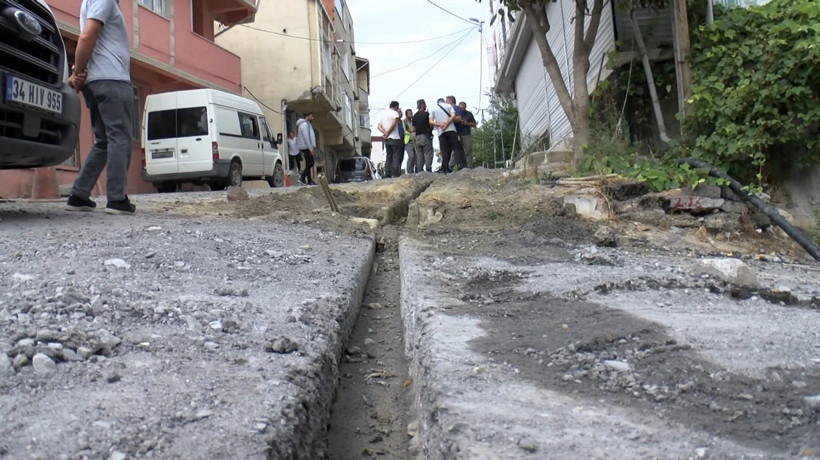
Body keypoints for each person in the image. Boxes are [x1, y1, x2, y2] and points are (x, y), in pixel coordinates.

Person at [65, 0, 134, 214]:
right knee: (119, 136)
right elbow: (87, 36)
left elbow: (92, 40)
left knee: (104, 140)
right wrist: (77, 73)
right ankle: (116, 198)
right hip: (111, 78)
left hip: (95, 80)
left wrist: (78, 72)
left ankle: (79, 195)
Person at [428, 97, 461, 174]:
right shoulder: (449, 106)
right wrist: (447, 122)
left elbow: (430, 121)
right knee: (456, 148)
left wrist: (439, 124)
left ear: (437, 103)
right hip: (451, 129)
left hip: (441, 132)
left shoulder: (433, 109)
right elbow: (453, 116)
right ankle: (460, 165)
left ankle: (445, 168)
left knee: (445, 150)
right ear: (444, 102)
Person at [377, 101, 404, 178]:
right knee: (396, 155)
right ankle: (395, 173)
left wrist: (384, 132)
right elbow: (394, 123)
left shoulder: (383, 114)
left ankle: (387, 173)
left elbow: (379, 126)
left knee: (388, 156)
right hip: (395, 137)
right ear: (396, 107)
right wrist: (388, 132)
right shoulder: (394, 113)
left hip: (387, 139)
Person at [411, 99, 434, 172]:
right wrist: (430, 130)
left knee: (419, 155)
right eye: (424, 104)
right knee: (428, 153)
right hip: (426, 136)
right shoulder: (426, 114)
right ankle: (428, 168)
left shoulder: (414, 116)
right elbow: (431, 124)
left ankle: (419, 169)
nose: (425, 105)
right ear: (422, 105)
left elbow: (414, 127)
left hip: (417, 137)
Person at [295, 113, 317, 185]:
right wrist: (310, 148)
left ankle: (303, 178)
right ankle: (307, 180)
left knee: (310, 162)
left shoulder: (307, 124)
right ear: (307, 117)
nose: (313, 118)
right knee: (309, 163)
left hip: (306, 146)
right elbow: (306, 137)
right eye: (311, 116)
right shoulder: (304, 125)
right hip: (305, 146)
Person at [446, 96, 468, 171]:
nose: (446, 103)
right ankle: (453, 165)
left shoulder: (455, 108)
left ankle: (452, 165)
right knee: (455, 148)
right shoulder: (451, 109)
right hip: (453, 131)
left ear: (451, 101)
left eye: (447, 101)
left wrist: (448, 120)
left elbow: (459, 118)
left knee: (457, 148)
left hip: (457, 131)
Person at [458, 102, 477, 168]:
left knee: (468, 151)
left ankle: (469, 166)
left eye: (463, 108)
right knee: (457, 151)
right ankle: (452, 166)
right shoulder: (456, 114)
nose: (462, 109)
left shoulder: (469, 114)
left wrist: (467, 123)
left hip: (467, 134)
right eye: (461, 108)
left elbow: (474, 124)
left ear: (465, 107)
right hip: (458, 134)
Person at [403, 108, 417, 174]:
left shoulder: (413, 121)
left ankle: (414, 170)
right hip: (408, 141)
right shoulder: (404, 122)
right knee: (411, 156)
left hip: (415, 140)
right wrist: (410, 130)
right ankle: (409, 171)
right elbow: (404, 130)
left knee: (416, 156)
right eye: (409, 113)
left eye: (411, 113)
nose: (411, 115)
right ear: (406, 114)